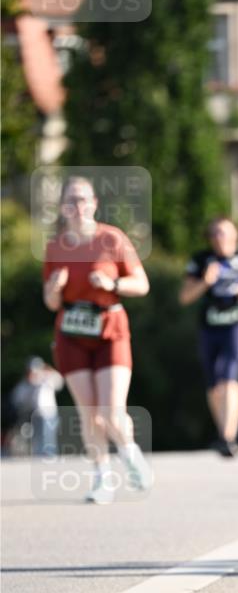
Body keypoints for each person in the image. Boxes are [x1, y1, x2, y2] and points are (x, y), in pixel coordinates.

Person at [42, 176, 151, 504]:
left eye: (84, 199)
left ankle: (130, 453)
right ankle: (102, 478)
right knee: (89, 412)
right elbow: (50, 302)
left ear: (94, 204)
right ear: (63, 207)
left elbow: (141, 284)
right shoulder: (56, 246)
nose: (78, 206)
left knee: (110, 411)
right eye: (72, 201)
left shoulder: (111, 239)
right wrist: (55, 288)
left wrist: (111, 283)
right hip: (71, 333)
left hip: (109, 329)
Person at [179, 216, 238, 457]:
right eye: (215, 234)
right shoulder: (200, 260)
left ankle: (228, 437)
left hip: (235, 325)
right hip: (210, 327)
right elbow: (185, 297)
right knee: (214, 384)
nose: (220, 239)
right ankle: (223, 429)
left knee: (229, 376)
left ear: (234, 236)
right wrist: (205, 281)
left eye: (224, 233)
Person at [9, 357, 64, 456]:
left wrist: (49, 371)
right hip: (34, 414)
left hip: (49, 413)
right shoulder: (26, 383)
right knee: (37, 438)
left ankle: (49, 458)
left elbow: (60, 381)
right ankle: (39, 458)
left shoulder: (48, 378)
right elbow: (18, 398)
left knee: (48, 437)